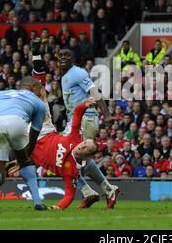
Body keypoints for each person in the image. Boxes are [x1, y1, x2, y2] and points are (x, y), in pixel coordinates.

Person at [32, 47, 118, 208]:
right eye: (61, 55)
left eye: (67, 55)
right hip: (76, 120)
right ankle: (103, 190)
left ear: (74, 60)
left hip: (85, 118)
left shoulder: (78, 73)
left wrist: (106, 114)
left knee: (63, 158)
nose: (63, 57)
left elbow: (94, 92)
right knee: (75, 160)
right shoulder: (65, 77)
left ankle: (95, 191)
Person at [0, 76, 47, 210]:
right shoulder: (39, 103)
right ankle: (37, 202)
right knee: (25, 163)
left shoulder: (1, 93)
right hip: (17, 121)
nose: (41, 92)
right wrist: (24, 157)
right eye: (40, 88)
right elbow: (34, 134)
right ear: (33, 87)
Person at [9, 98, 100, 210]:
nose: (82, 146)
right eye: (85, 142)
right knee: (39, 97)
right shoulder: (75, 137)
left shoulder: (71, 171)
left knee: (11, 128)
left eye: (87, 149)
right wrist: (84, 105)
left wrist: (56, 207)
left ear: (88, 156)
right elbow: (77, 113)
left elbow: (69, 196)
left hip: (29, 147)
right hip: (43, 132)